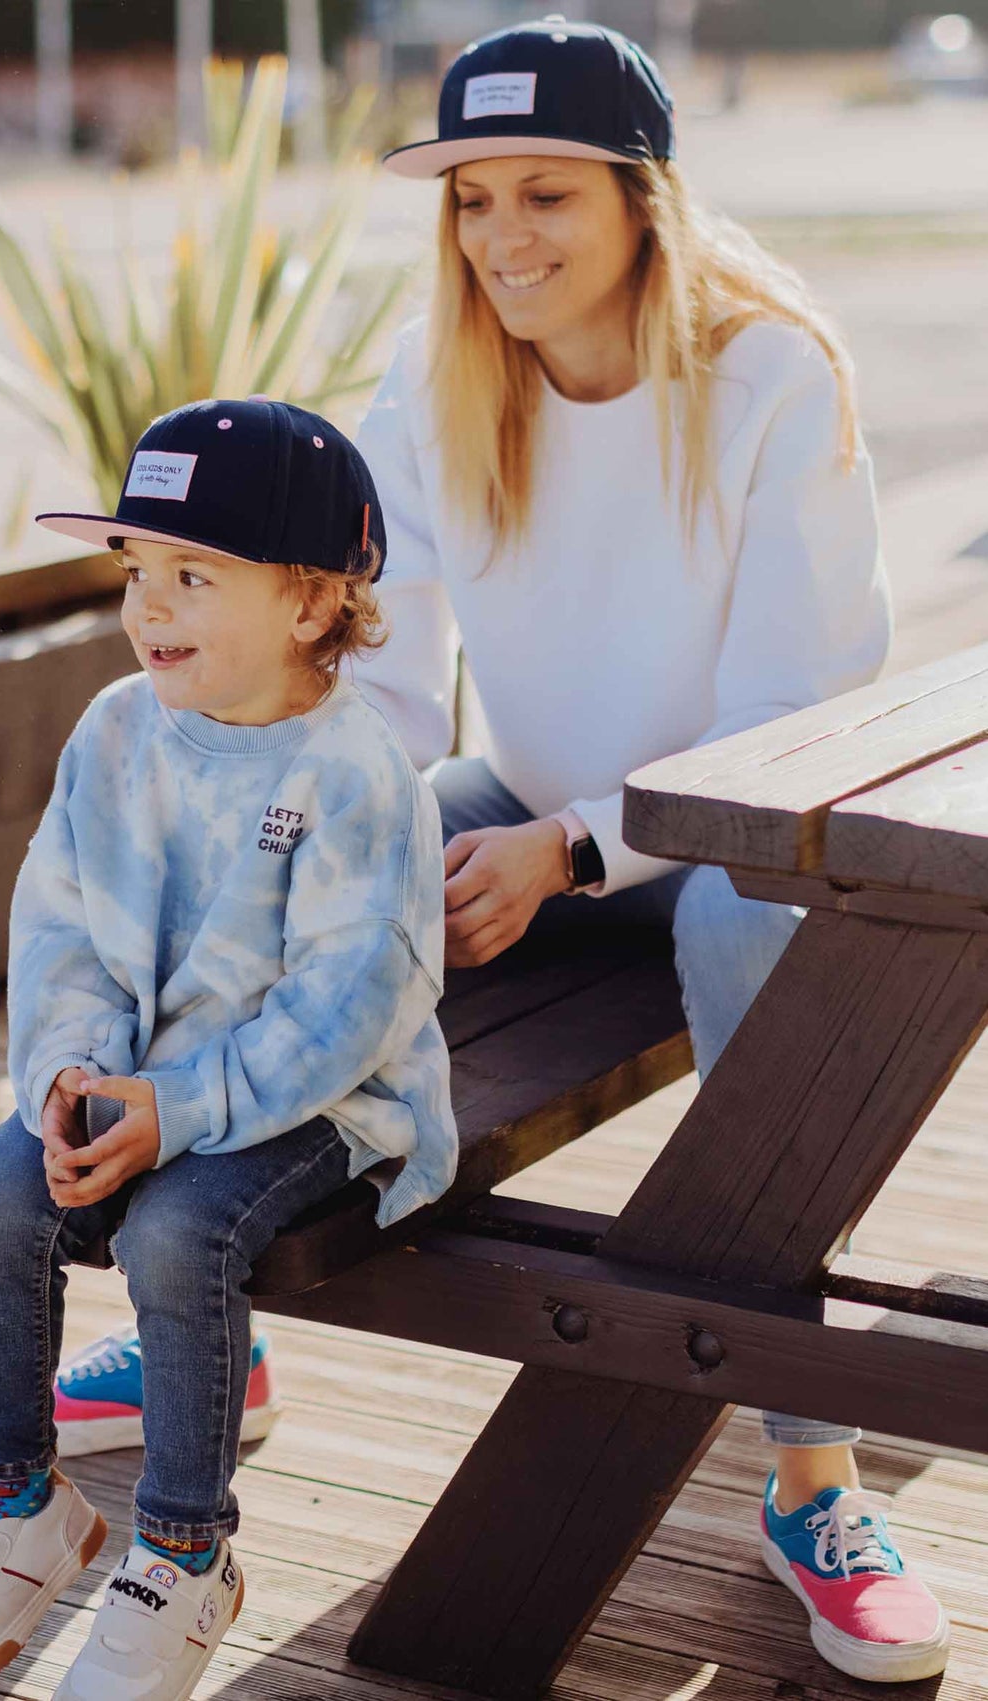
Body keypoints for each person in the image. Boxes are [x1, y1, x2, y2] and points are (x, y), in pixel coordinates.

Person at [348, 14, 950, 1687]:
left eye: (544, 194)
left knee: (749, 928)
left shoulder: (767, 374)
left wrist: (568, 848)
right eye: (469, 201)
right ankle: (201, 1321)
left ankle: (810, 1473)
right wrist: (378, 844)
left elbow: (784, 721)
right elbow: (378, 670)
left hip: (740, 839)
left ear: (640, 202)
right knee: (291, 856)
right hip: (529, 808)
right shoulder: (430, 373)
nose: (501, 239)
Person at [0, 398, 458, 1701]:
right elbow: (61, 922)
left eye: (195, 576)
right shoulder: (114, 731)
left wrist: (183, 1105)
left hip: (325, 1099)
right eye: (136, 572)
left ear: (317, 601)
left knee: (175, 1235)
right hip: (137, 1076)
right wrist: (73, 1075)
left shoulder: (355, 771)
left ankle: (181, 1552)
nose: (151, 607)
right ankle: (19, 1504)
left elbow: (350, 1001)